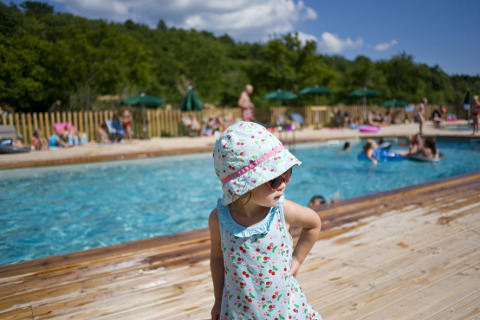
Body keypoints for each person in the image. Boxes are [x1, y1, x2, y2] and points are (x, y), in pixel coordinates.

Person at [209, 121, 322, 320]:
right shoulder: (219, 219)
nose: (283, 185)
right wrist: (218, 300)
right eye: (275, 180)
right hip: (240, 311)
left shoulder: (282, 211)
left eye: (287, 174)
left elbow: (313, 223)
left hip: (284, 309)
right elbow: (218, 258)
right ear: (244, 185)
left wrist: (296, 260)